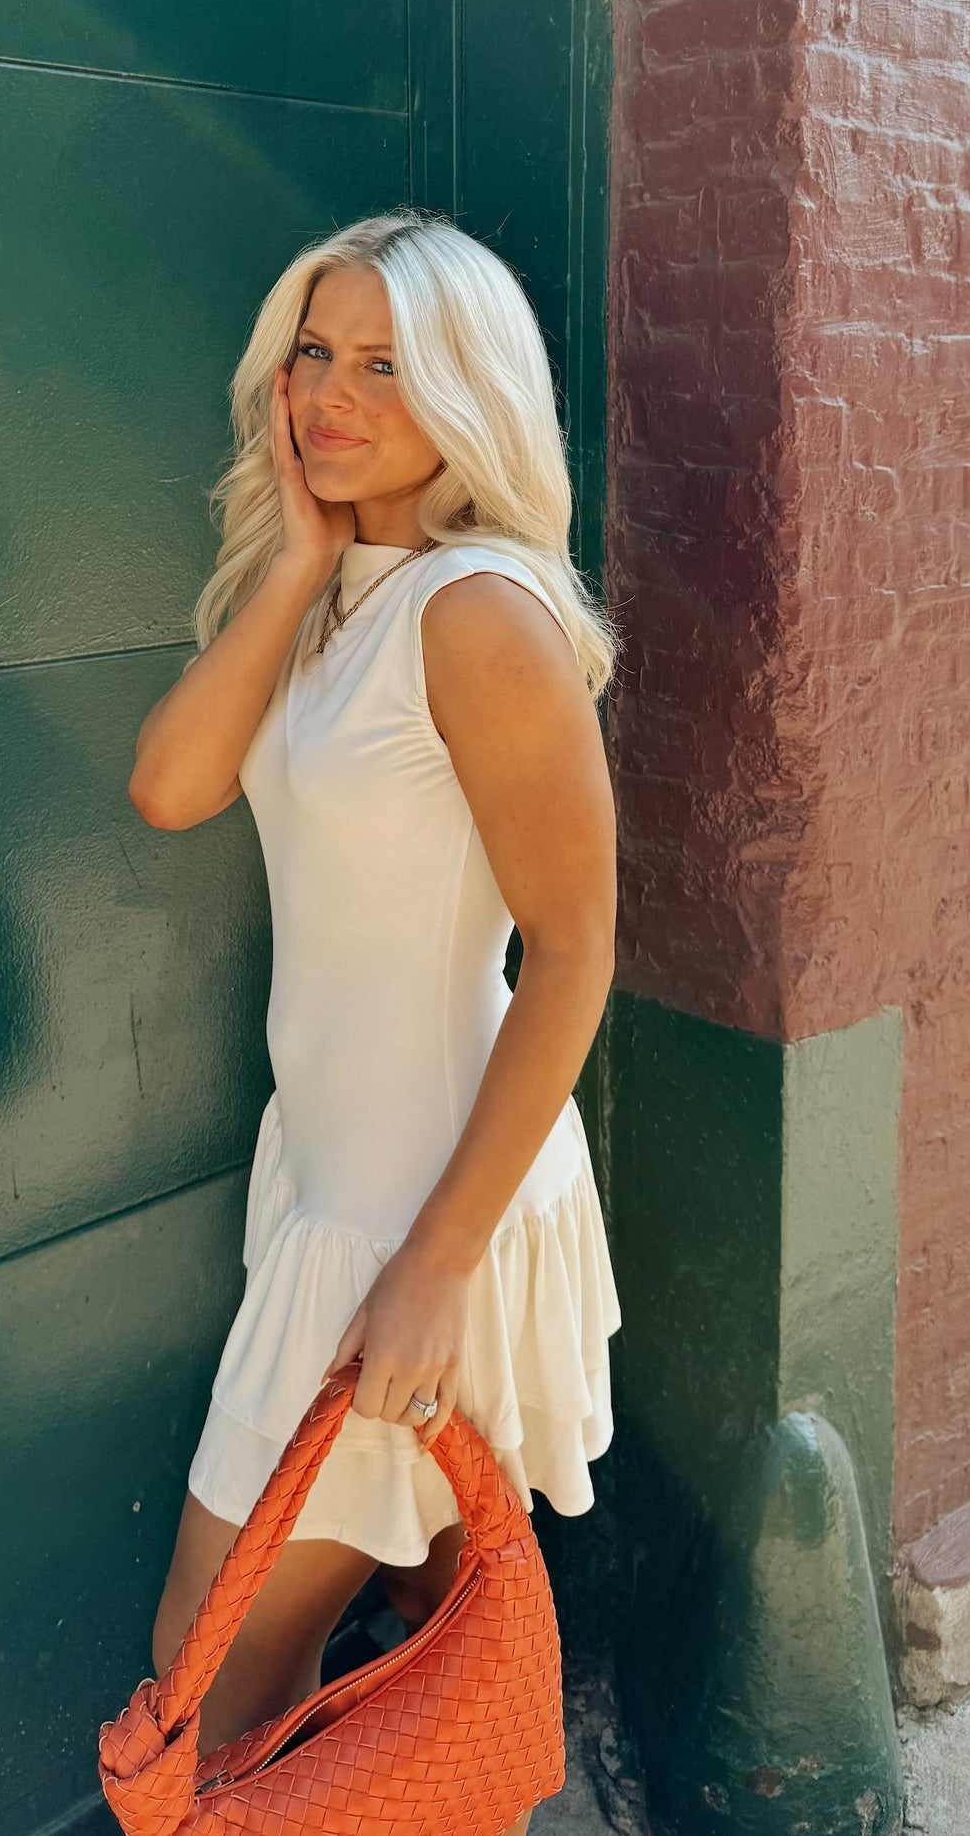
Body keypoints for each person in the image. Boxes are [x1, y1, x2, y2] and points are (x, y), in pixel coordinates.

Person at [130, 211, 620, 1826]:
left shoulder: (478, 612)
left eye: (387, 366)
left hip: (418, 1215)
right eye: (314, 354)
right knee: (424, 1629)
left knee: (207, 1678)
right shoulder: (345, 588)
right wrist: (292, 560)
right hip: (337, 1178)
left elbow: (572, 951)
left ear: (470, 388)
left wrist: (430, 1266)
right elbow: (170, 787)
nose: (331, 396)